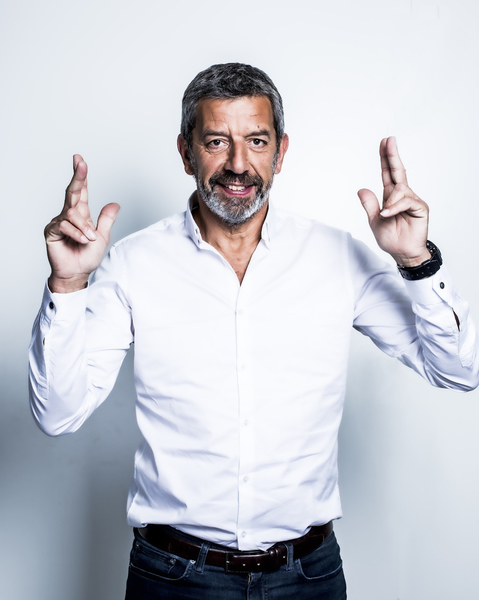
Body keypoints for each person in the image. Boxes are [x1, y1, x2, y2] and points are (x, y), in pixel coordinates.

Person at [29, 63, 479, 600]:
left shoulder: (337, 258)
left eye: (257, 141)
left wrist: (417, 262)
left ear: (280, 152)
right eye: (217, 141)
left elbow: (460, 371)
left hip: (308, 578)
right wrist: (68, 284)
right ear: (186, 152)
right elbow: (57, 414)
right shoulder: (133, 264)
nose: (238, 164)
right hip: (173, 578)